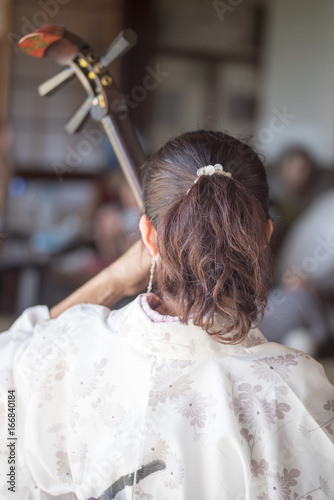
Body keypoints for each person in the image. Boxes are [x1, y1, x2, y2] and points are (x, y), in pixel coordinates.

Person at [0, 131, 333, 500]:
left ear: (147, 236)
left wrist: (112, 280)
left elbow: (11, 355)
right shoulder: (292, 389)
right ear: (264, 235)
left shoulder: (65, 348)